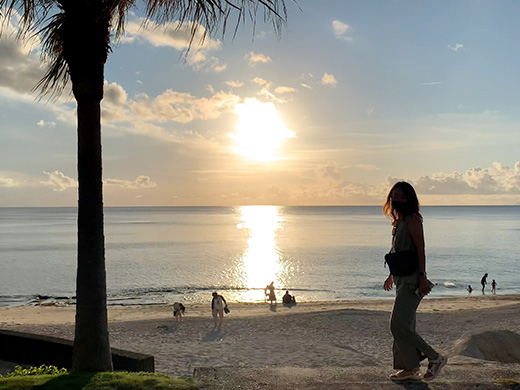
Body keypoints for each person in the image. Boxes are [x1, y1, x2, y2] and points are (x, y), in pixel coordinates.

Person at [383, 181, 447, 382]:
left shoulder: (412, 220)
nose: (397, 199)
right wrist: (392, 275)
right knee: (404, 325)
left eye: (401, 196)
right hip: (402, 278)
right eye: (394, 195)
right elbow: (400, 252)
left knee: (398, 325)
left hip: (412, 279)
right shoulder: (399, 221)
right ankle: (409, 368)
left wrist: (422, 277)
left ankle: (435, 357)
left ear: (409, 199)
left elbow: (420, 250)